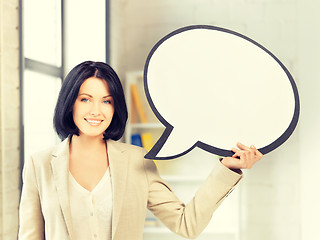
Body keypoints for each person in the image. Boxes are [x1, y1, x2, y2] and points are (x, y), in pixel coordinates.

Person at [18, 61, 263, 240]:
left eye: (106, 101)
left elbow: (187, 224)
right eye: (85, 99)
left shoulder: (137, 161)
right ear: (69, 103)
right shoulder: (39, 165)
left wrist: (226, 168)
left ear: (115, 108)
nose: (96, 110)